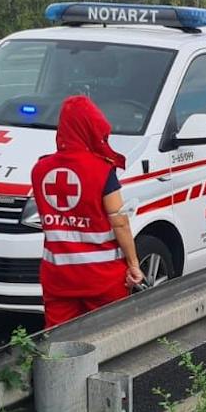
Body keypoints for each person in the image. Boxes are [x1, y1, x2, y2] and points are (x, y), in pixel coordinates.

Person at [30, 96, 143, 328]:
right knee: (109, 340)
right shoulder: (102, 170)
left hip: (58, 278)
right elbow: (120, 223)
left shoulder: (40, 169)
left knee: (60, 344)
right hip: (102, 279)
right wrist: (133, 265)